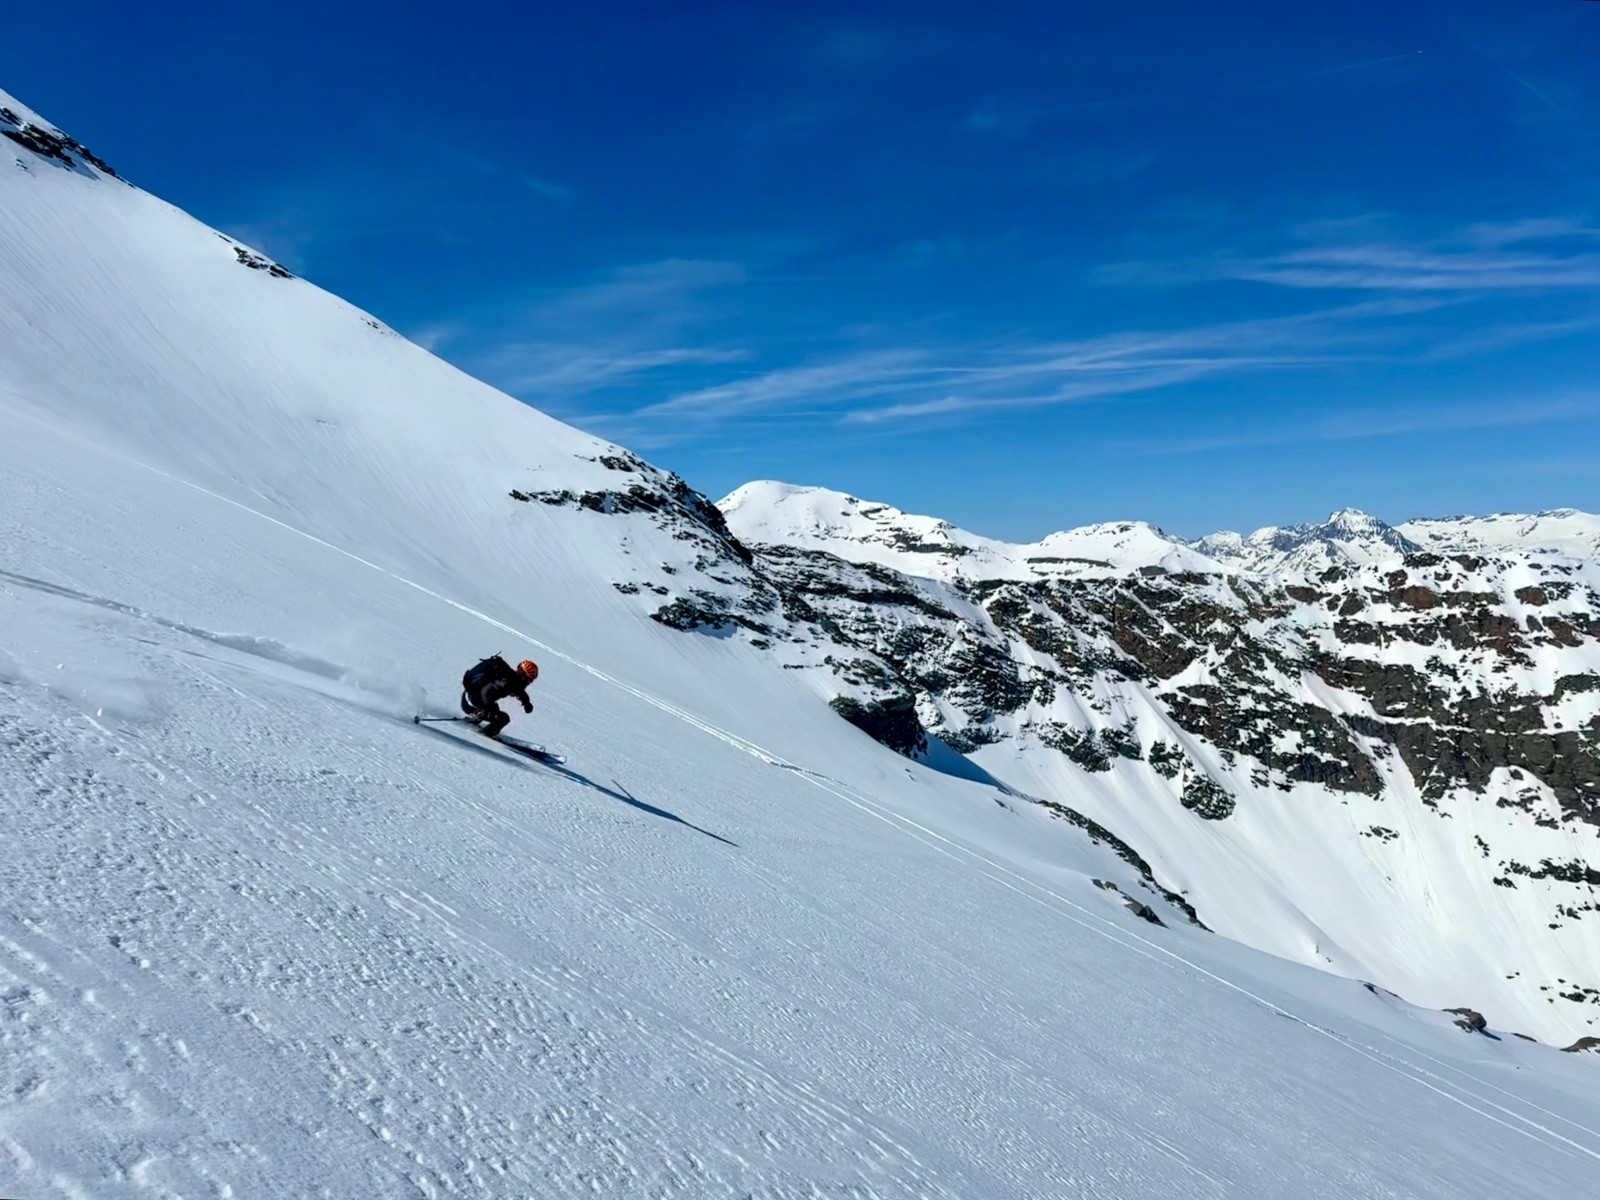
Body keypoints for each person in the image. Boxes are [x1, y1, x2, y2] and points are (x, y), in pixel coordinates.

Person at [460, 655, 538, 737]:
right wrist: (491, 707)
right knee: (502, 718)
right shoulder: (507, 682)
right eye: (528, 680)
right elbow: (486, 691)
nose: (528, 683)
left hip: (470, 698)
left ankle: (473, 721)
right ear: (523, 677)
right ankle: (483, 736)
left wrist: (526, 703)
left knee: (493, 713)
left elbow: (519, 691)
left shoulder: (512, 679)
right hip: (471, 702)